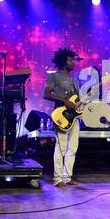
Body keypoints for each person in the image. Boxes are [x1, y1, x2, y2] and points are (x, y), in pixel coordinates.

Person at [43, 48, 80, 188]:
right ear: (63, 61)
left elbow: (76, 99)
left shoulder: (74, 80)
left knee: (73, 148)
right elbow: (46, 94)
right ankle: (58, 179)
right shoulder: (54, 76)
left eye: (73, 60)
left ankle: (67, 176)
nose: (73, 62)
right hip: (61, 116)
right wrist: (64, 101)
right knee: (61, 147)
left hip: (74, 117)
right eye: (70, 60)